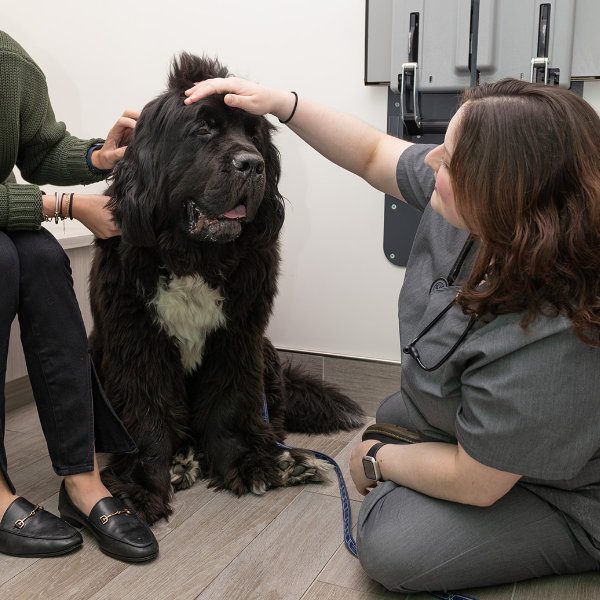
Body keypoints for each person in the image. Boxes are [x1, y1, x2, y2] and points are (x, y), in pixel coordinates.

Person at [184, 76, 600, 592]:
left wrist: (377, 461)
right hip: (466, 432)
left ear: (504, 191)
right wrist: (282, 104)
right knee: (401, 425)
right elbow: (372, 151)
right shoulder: (482, 204)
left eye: (448, 159)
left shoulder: (557, 327)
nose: (429, 162)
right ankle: (427, 445)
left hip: (562, 490)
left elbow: (480, 481)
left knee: (393, 548)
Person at [0, 30, 158, 562]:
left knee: (42, 257)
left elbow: (40, 148)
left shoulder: (7, 59)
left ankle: (81, 476)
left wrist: (99, 156)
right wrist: (66, 204)